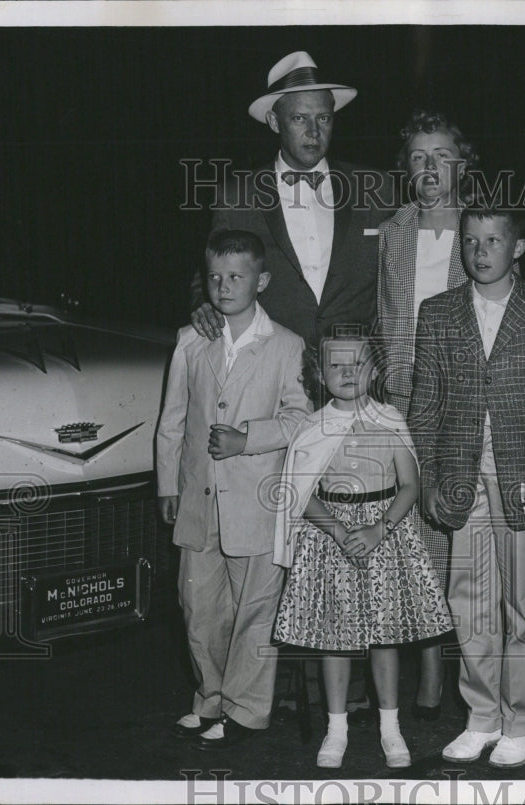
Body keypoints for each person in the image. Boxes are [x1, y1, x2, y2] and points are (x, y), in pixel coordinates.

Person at [409, 201, 525, 769]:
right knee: (470, 605)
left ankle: (522, 721)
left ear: (519, 247)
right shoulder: (437, 313)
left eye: (493, 241)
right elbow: (425, 406)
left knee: (524, 607)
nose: (480, 252)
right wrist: (428, 478)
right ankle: (481, 716)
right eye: (471, 241)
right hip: (463, 479)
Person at [156, 229, 310, 750]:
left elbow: (299, 419)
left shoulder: (286, 345)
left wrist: (248, 439)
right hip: (199, 500)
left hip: (256, 501)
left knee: (255, 609)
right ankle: (211, 699)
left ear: (261, 280)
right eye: (215, 277)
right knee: (199, 607)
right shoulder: (190, 340)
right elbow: (172, 420)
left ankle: (247, 711)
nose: (224, 286)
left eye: (237, 276)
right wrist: (166, 485)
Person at [272, 325, 452, 769]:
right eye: (335, 364)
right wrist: (334, 528)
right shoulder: (312, 427)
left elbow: (409, 485)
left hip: (382, 535)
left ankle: (391, 727)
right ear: (318, 371)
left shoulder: (391, 419)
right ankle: (337, 728)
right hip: (331, 537)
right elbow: (299, 490)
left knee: (383, 636)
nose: (347, 372)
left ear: (374, 368)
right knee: (336, 637)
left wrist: (379, 529)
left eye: (357, 363)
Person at [376, 109, 478, 721]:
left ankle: (472, 666)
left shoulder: (483, 228)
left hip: (463, 401)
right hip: (402, 404)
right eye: (417, 157)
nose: (429, 167)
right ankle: (431, 661)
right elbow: (381, 318)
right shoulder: (392, 233)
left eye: (441, 155)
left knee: (458, 532)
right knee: (413, 541)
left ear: (463, 162)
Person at [191, 50, 395, 348]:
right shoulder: (237, 196)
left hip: (355, 367)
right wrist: (202, 303)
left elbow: (403, 270)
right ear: (274, 122)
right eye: (299, 118)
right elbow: (210, 269)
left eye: (323, 118)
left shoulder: (377, 187)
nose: (314, 132)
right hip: (271, 361)